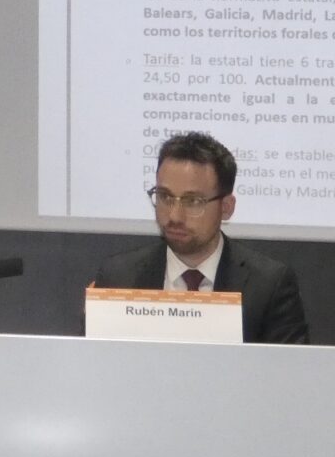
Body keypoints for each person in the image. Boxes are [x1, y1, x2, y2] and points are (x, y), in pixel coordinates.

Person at [92, 131, 309, 343]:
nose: (174, 216)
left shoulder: (268, 286)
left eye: (193, 201)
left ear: (226, 207)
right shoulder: (120, 278)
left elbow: (289, 366)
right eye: (165, 197)